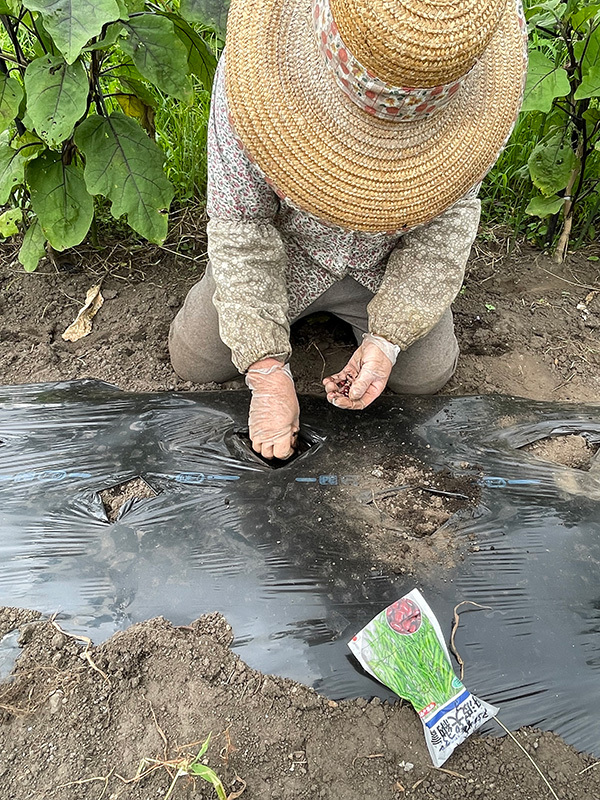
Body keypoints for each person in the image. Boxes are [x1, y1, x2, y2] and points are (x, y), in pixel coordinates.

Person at [169, 0, 527, 460]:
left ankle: (361, 325)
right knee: (196, 359)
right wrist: (265, 371)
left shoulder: (476, 86)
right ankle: (276, 327)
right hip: (285, 254)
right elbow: (242, 226)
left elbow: (445, 228)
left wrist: (389, 338)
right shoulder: (253, 76)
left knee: (425, 376)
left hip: (383, 264)